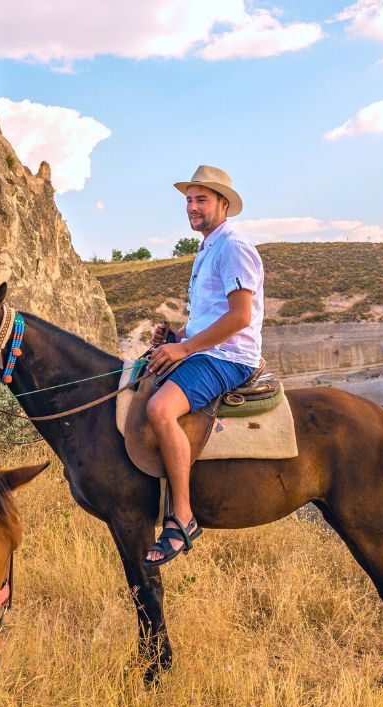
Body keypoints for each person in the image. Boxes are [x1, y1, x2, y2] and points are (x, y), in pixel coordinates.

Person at [142, 165, 264, 567]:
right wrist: (178, 336)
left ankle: (182, 517)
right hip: (205, 349)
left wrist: (184, 349)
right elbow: (211, 313)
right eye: (189, 200)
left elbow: (240, 316)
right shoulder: (208, 247)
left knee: (160, 409)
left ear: (223, 204)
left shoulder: (233, 247)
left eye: (201, 200)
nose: (192, 207)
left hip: (228, 357)